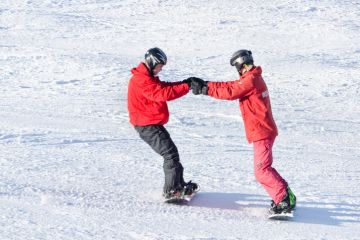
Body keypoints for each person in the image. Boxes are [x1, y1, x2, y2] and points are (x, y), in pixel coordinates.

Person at [191, 50, 296, 214]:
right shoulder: (252, 78)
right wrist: (207, 84)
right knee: (263, 169)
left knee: (262, 170)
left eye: (238, 67)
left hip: (262, 131)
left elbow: (230, 92)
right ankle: (282, 196)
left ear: (242, 65)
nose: (238, 71)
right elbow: (231, 86)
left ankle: (284, 198)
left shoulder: (252, 80)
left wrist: (205, 90)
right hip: (261, 131)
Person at [127, 47, 199, 199]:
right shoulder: (141, 80)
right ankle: (171, 190)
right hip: (146, 125)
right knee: (170, 154)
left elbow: (164, 86)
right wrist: (187, 87)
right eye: (160, 65)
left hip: (151, 123)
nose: (161, 69)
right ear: (153, 62)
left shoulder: (147, 77)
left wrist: (185, 83)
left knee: (172, 153)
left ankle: (178, 185)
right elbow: (162, 94)